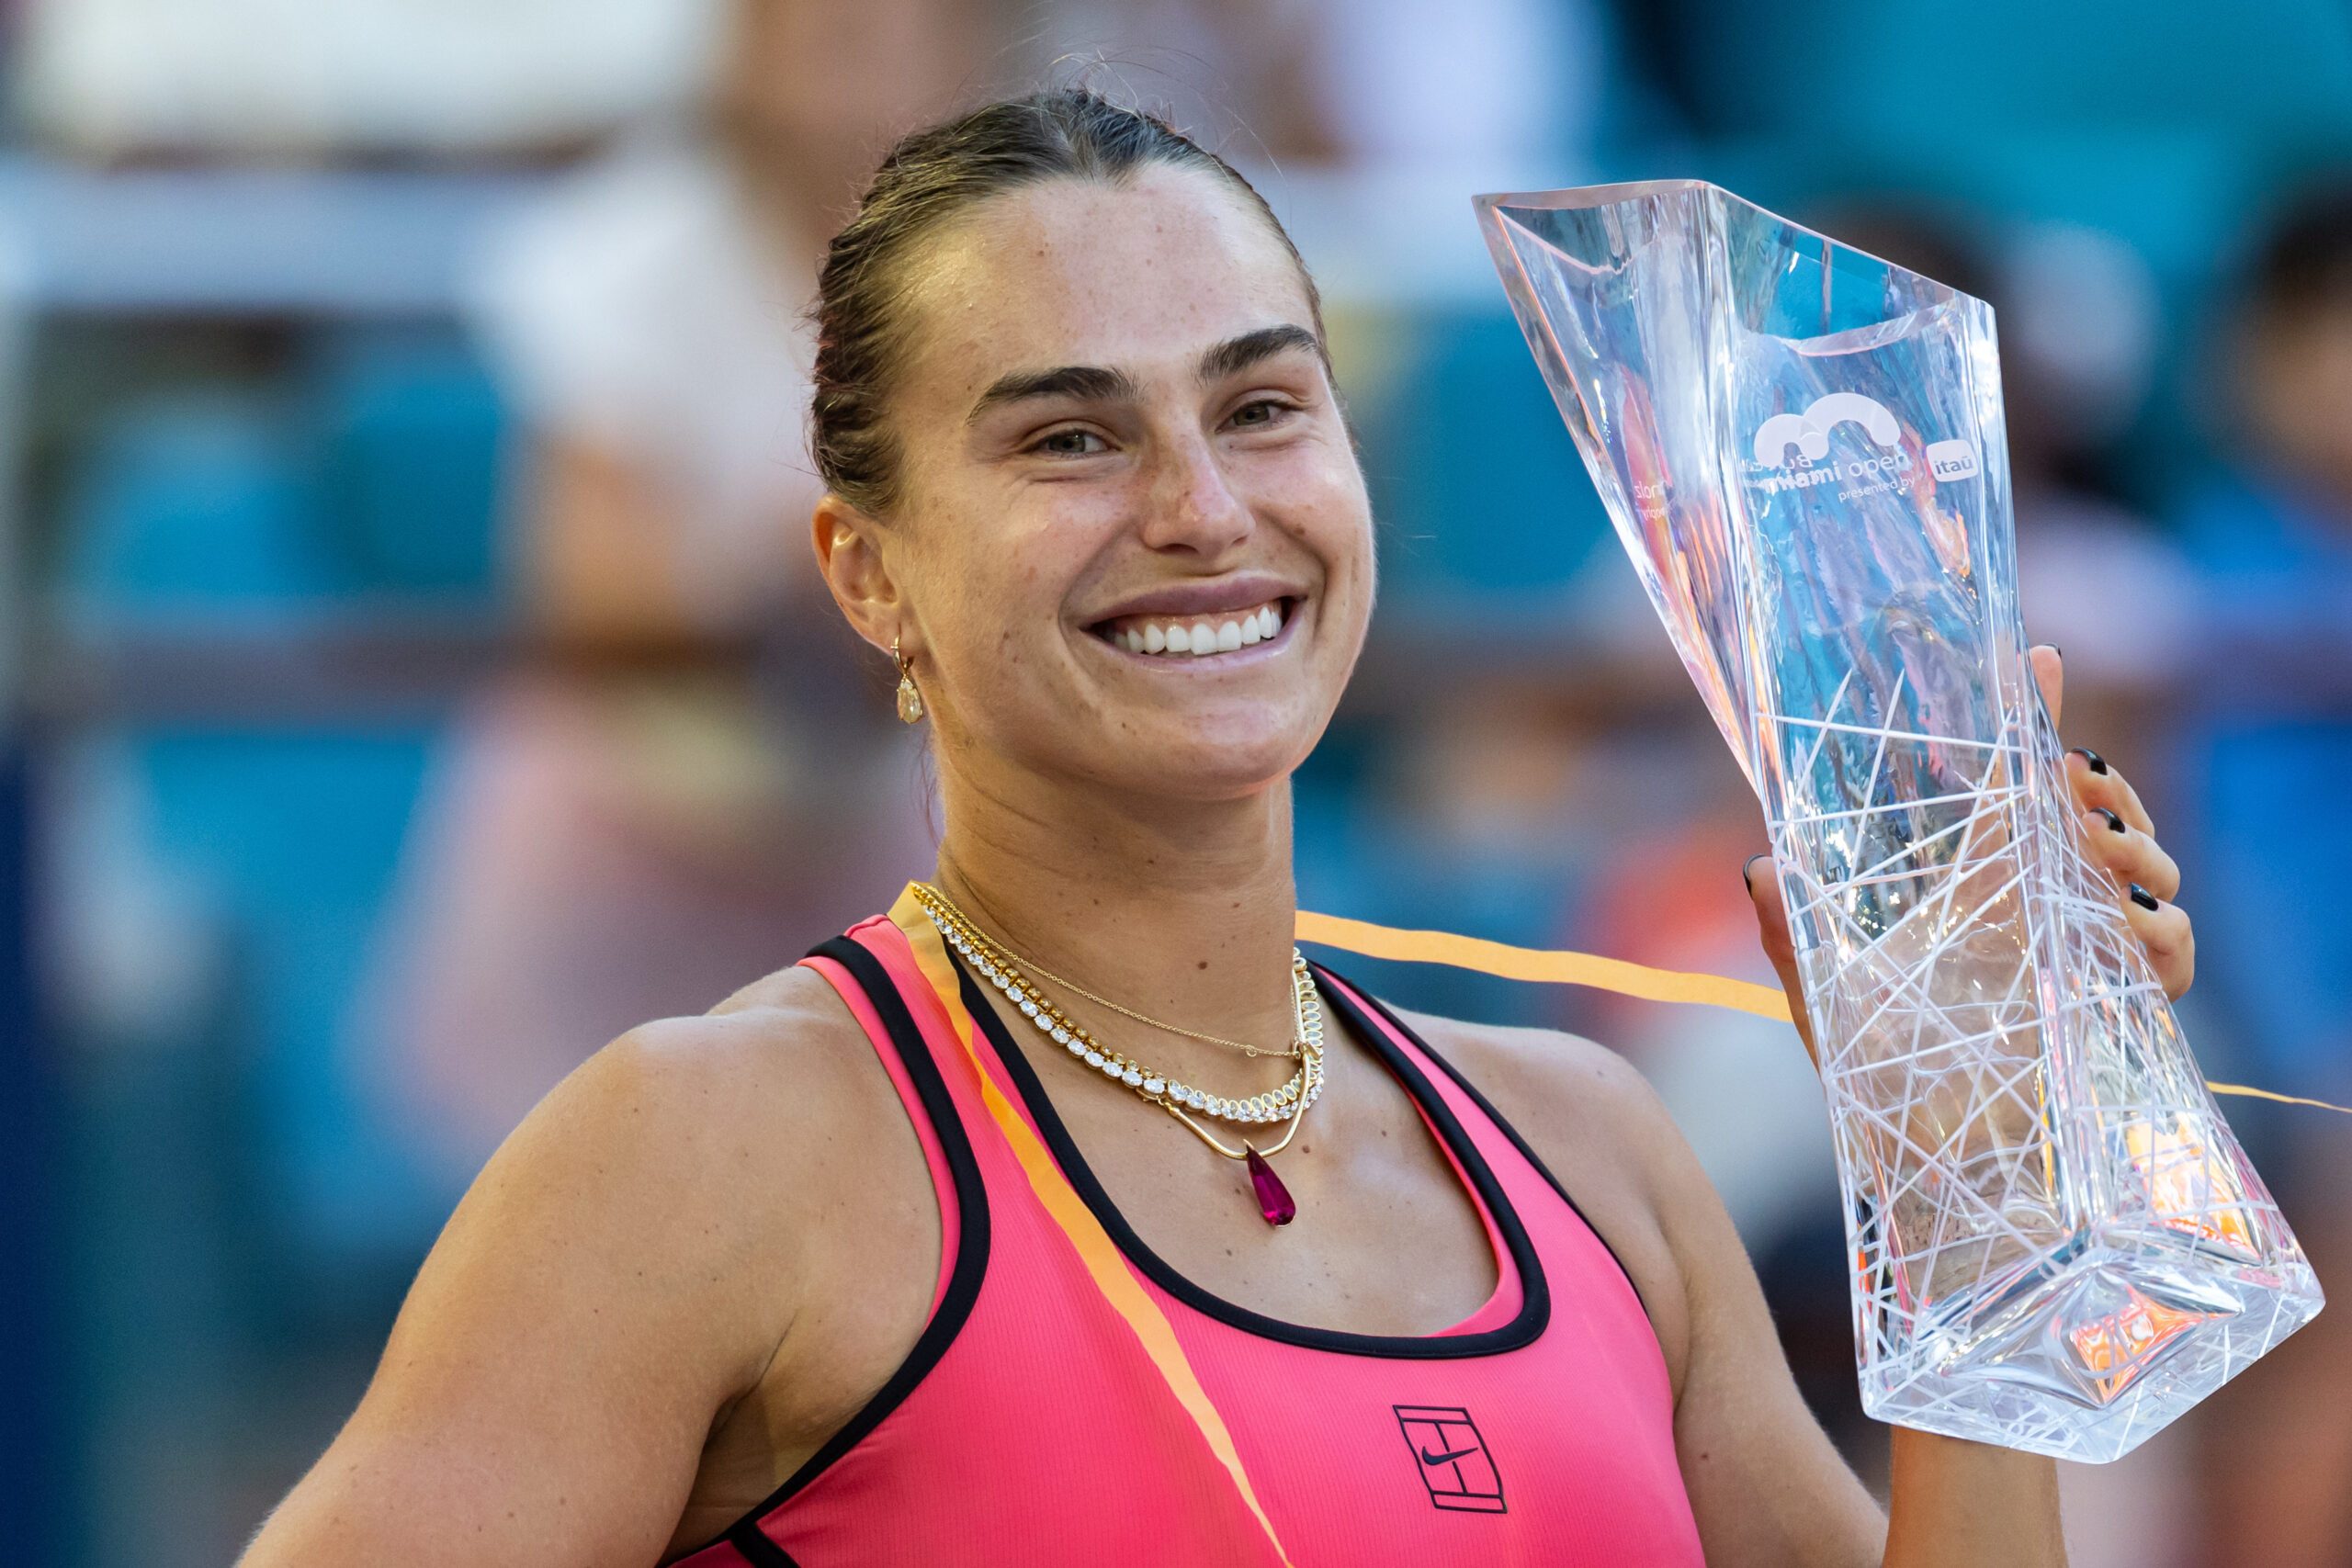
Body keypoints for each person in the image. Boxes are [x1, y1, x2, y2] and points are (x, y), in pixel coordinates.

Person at [238, 88, 2193, 1566]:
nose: (1199, 507)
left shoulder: (1590, 1149)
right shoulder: (705, 1152)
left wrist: (1970, 1179)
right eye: (1067, 435)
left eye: (1261, 406)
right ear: (867, 572)